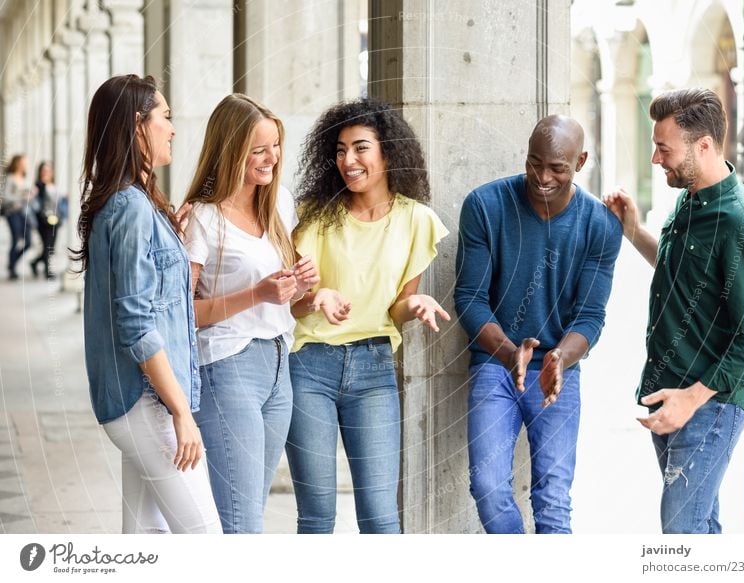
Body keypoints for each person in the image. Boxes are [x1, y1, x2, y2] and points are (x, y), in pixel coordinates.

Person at [286, 97, 450, 534]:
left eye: (360, 148)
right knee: (317, 515)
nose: (348, 160)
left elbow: (396, 306)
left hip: (373, 369)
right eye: (340, 150)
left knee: (380, 515)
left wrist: (413, 306)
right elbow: (292, 303)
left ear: (388, 152)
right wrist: (316, 296)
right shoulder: (314, 217)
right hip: (309, 367)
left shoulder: (418, 221)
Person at [454, 115, 623, 534]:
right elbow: (470, 298)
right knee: (488, 487)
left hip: (558, 372)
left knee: (552, 499)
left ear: (581, 161)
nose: (542, 176)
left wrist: (558, 360)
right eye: (534, 163)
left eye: (557, 168)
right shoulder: (485, 205)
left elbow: (590, 316)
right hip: (495, 364)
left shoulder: (600, 225)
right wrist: (512, 353)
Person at [182, 94, 339, 534]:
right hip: (228, 366)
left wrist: (305, 283)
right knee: (241, 522)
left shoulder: (279, 204)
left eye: (275, 146)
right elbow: (182, 314)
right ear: (231, 150)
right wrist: (256, 293)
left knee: (251, 510)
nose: (271, 158)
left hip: (278, 364)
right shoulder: (203, 218)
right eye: (258, 149)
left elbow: (286, 298)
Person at [74, 74, 221, 534]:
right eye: (166, 117)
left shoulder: (130, 203)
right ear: (138, 126)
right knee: (203, 537)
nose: (173, 128)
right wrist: (180, 411)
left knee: (144, 540)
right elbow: (135, 321)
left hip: (138, 399)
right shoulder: (129, 208)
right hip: (147, 402)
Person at [603, 88, 744, 534]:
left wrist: (691, 399)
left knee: (680, 534)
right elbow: (679, 271)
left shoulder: (739, 221)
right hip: (670, 394)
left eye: (664, 149)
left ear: (703, 146)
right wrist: (633, 232)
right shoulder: (690, 197)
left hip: (709, 402)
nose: (655, 159)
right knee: (700, 527)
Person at [30, 161, 67, 279]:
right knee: (47, 245)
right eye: (44, 170)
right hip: (43, 220)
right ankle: (48, 272)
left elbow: (58, 202)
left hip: (55, 219)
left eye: (48, 170)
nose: (46, 173)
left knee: (51, 246)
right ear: (40, 172)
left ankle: (35, 262)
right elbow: (35, 203)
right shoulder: (39, 186)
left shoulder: (54, 185)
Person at [1, 154, 33, 280]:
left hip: (24, 212)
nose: (24, 164)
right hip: (12, 212)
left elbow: (27, 196)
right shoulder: (10, 178)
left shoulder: (25, 177)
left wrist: (30, 194)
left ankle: (12, 262)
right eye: (23, 162)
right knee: (15, 240)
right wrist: (22, 196)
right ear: (17, 163)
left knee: (28, 242)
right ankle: (12, 269)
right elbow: (5, 197)